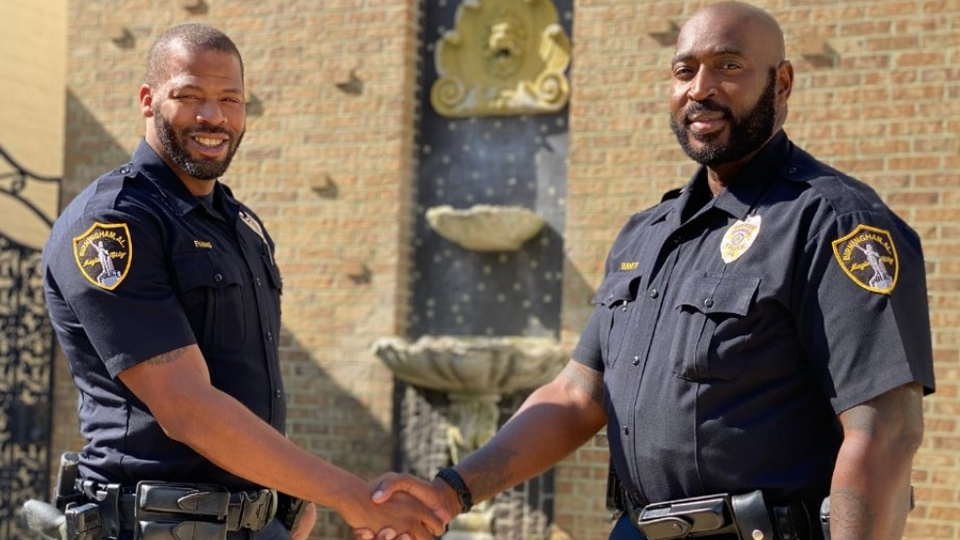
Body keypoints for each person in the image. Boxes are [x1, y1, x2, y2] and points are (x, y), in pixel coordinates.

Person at [364, 2, 936, 540]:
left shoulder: (834, 223)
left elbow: (884, 431)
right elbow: (575, 395)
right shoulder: (647, 234)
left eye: (728, 67)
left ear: (781, 83)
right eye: (684, 70)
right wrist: (451, 492)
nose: (701, 89)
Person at [37, 23, 443, 540]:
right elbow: (187, 409)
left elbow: (244, 382)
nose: (214, 116)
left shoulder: (240, 226)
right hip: (153, 529)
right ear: (147, 99)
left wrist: (285, 500)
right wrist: (348, 495)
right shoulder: (113, 225)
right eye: (190, 96)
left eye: (231, 99)